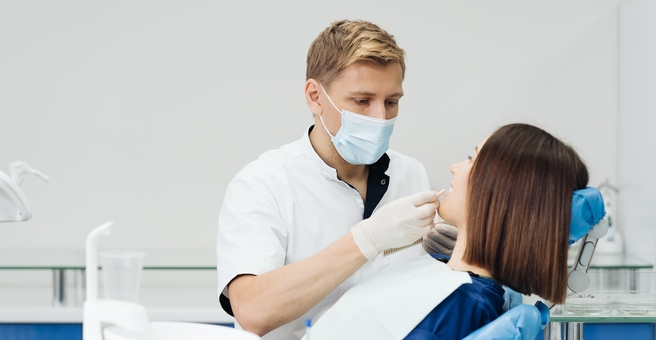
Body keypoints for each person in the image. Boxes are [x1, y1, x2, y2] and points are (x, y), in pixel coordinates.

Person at [216, 20, 457, 339]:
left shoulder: (411, 174)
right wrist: (365, 240)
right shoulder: (262, 184)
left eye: (391, 102)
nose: (380, 119)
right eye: (361, 101)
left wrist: (452, 261)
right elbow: (252, 312)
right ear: (315, 96)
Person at [307, 123, 604, 339]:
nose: (454, 167)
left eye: (473, 159)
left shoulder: (463, 305)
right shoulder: (451, 281)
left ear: (500, 191)